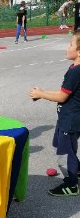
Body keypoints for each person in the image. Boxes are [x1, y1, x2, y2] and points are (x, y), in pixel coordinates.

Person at [30, 32, 80, 197]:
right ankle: (77, 170)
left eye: (71, 44)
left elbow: (62, 97)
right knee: (62, 145)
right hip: (67, 118)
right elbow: (63, 92)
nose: (68, 47)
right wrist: (42, 93)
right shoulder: (74, 68)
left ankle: (71, 185)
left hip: (70, 120)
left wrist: (41, 94)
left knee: (65, 153)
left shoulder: (75, 72)